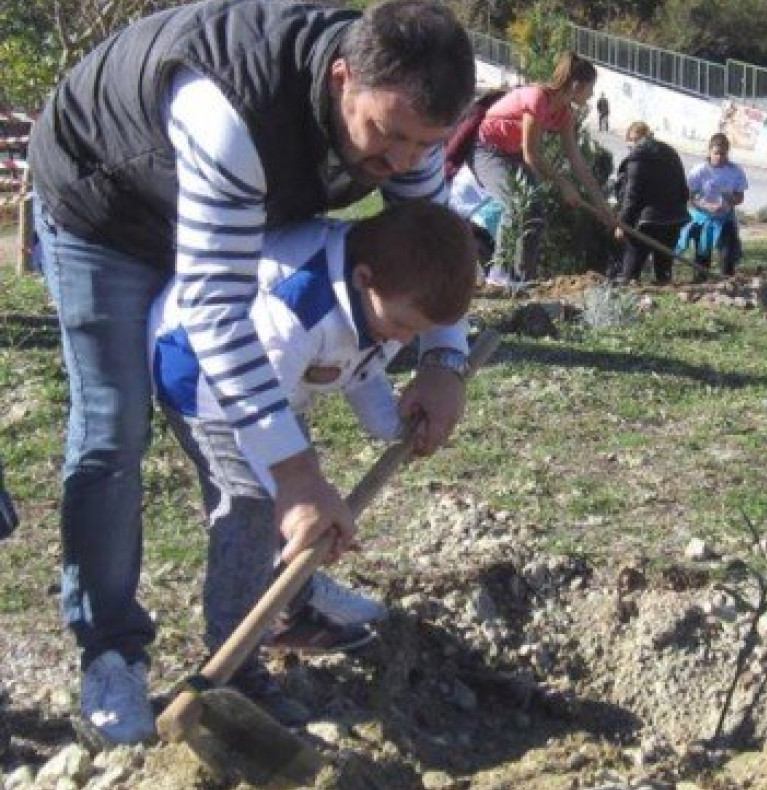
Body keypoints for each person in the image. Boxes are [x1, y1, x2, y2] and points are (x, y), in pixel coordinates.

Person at [28, 0, 476, 745]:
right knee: (114, 430)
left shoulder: (407, 119)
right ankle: (110, 651)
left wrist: (444, 360)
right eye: (388, 138)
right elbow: (215, 310)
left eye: (421, 147)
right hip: (106, 206)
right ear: (342, 78)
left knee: (253, 471)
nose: (399, 164)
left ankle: (273, 593)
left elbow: (438, 240)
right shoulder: (228, 112)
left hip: (219, 207)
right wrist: (297, 478)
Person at [149, 202, 474, 726]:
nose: (407, 341)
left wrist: (394, 425)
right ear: (364, 280)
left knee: (302, 487)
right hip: (208, 381)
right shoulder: (298, 310)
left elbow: (358, 368)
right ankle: (232, 668)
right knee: (254, 508)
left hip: (277, 386)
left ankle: (290, 610)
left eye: (420, 333)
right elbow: (255, 414)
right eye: (405, 326)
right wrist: (296, 495)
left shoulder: (382, 305)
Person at [469, 52, 615, 285]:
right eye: (591, 88)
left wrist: (603, 205)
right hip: (486, 150)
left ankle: (525, 279)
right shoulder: (537, 99)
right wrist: (564, 184)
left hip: (513, 154)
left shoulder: (565, 115)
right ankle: (499, 276)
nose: (592, 95)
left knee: (534, 210)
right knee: (515, 203)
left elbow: (578, 162)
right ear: (576, 86)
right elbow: (531, 153)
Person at [611, 122, 690, 284]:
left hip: (647, 223)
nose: (631, 147)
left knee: (630, 276)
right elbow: (683, 189)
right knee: (664, 274)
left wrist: (622, 223)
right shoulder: (670, 151)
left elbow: (632, 194)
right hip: (674, 219)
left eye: (631, 143)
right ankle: (663, 301)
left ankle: (633, 300)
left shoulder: (637, 155)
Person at [684, 133, 749, 277]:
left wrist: (729, 201)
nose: (720, 157)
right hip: (703, 218)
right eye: (716, 153)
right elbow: (688, 197)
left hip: (725, 218)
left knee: (728, 255)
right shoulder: (699, 171)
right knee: (702, 255)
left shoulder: (735, 171)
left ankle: (727, 284)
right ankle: (700, 285)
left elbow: (740, 197)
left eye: (723, 154)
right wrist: (704, 205)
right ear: (709, 151)